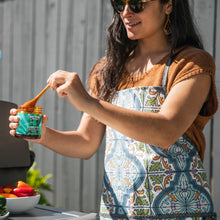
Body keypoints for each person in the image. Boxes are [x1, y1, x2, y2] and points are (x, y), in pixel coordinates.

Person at [9, 0, 218, 219]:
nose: (126, 13)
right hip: (117, 213)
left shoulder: (191, 63)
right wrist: (44, 135)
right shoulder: (108, 70)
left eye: (137, 4)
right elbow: (86, 143)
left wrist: (90, 103)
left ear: (168, 5)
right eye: (119, 4)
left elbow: (166, 131)